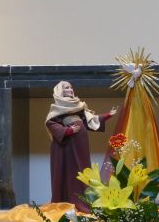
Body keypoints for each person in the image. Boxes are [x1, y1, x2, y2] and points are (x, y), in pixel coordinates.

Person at [46, 81, 118, 212]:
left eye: (71, 87)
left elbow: (90, 121)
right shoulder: (57, 109)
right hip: (66, 148)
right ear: (60, 92)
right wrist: (67, 131)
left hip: (80, 147)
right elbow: (51, 124)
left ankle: (83, 201)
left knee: (82, 172)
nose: (71, 89)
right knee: (69, 173)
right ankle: (68, 202)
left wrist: (108, 115)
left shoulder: (78, 107)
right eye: (67, 88)